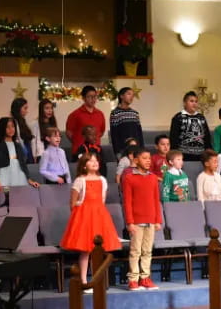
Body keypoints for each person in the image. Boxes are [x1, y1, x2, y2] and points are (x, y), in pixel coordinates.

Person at [60, 153, 121, 292]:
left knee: (98, 251)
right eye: (90, 161)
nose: (94, 162)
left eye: (96, 160)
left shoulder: (102, 180)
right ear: (84, 165)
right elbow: (73, 202)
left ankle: (96, 280)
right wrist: (81, 217)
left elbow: (102, 199)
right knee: (86, 250)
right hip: (85, 217)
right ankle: (83, 281)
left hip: (99, 216)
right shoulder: (80, 180)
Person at [121, 148, 162, 290]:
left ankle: (145, 278)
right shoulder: (129, 177)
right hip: (136, 221)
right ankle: (133, 279)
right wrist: (130, 222)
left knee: (147, 251)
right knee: (135, 251)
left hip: (151, 219)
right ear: (136, 160)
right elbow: (127, 202)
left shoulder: (152, 178)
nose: (148, 160)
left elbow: (156, 200)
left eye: (149, 158)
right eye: (144, 158)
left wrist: (158, 220)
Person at [0, 117, 40, 192]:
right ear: (2, 129)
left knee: (18, 196)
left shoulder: (18, 145)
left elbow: (23, 164)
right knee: (6, 195)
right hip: (5, 176)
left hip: (18, 176)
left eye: (13, 126)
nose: (11, 129)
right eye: (7, 127)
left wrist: (29, 180)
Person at [169, 91, 212, 161]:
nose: (194, 103)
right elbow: (173, 138)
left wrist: (208, 153)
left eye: (196, 101)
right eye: (191, 101)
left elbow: (207, 137)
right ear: (185, 103)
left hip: (201, 155)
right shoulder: (178, 117)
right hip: (183, 156)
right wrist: (175, 156)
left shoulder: (201, 117)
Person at [66, 85, 105, 159]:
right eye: (89, 96)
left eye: (94, 96)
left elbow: (101, 132)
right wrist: (79, 142)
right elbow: (69, 133)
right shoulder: (75, 114)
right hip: (79, 152)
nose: (93, 99)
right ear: (83, 98)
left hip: (95, 152)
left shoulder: (100, 114)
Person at [110, 87, 144, 158]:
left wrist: (142, 148)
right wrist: (117, 152)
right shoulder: (115, 113)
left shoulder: (134, 113)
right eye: (129, 94)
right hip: (123, 150)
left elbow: (139, 132)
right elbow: (114, 135)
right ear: (121, 96)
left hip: (136, 149)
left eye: (133, 95)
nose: (131, 97)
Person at [11, 98, 34, 163]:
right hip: (21, 150)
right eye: (25, 108)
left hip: (27, 148)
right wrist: (24, 151)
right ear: (18, 109)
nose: (27, 111)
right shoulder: (13, 122)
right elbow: (18, 139)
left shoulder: (23, 121)